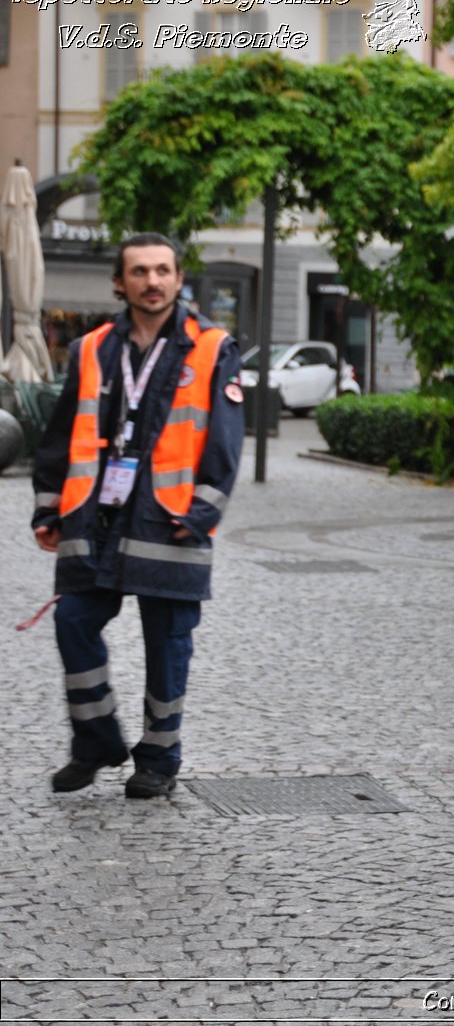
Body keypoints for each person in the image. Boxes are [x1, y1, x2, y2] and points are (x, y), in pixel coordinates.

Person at [31, 233, 244, 799]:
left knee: (168, 641)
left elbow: (224, 440)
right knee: (73, 621)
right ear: (119, 282)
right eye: (140, 272)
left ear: (178, 278)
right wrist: (48, 508)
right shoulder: (90, 349)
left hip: (169, 518)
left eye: (163, 270)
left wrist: (200, 513)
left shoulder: (212, 347)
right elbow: (59, 436)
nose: (153, 281)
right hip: (93, 518)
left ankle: (158, 756)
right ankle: (97, 741)